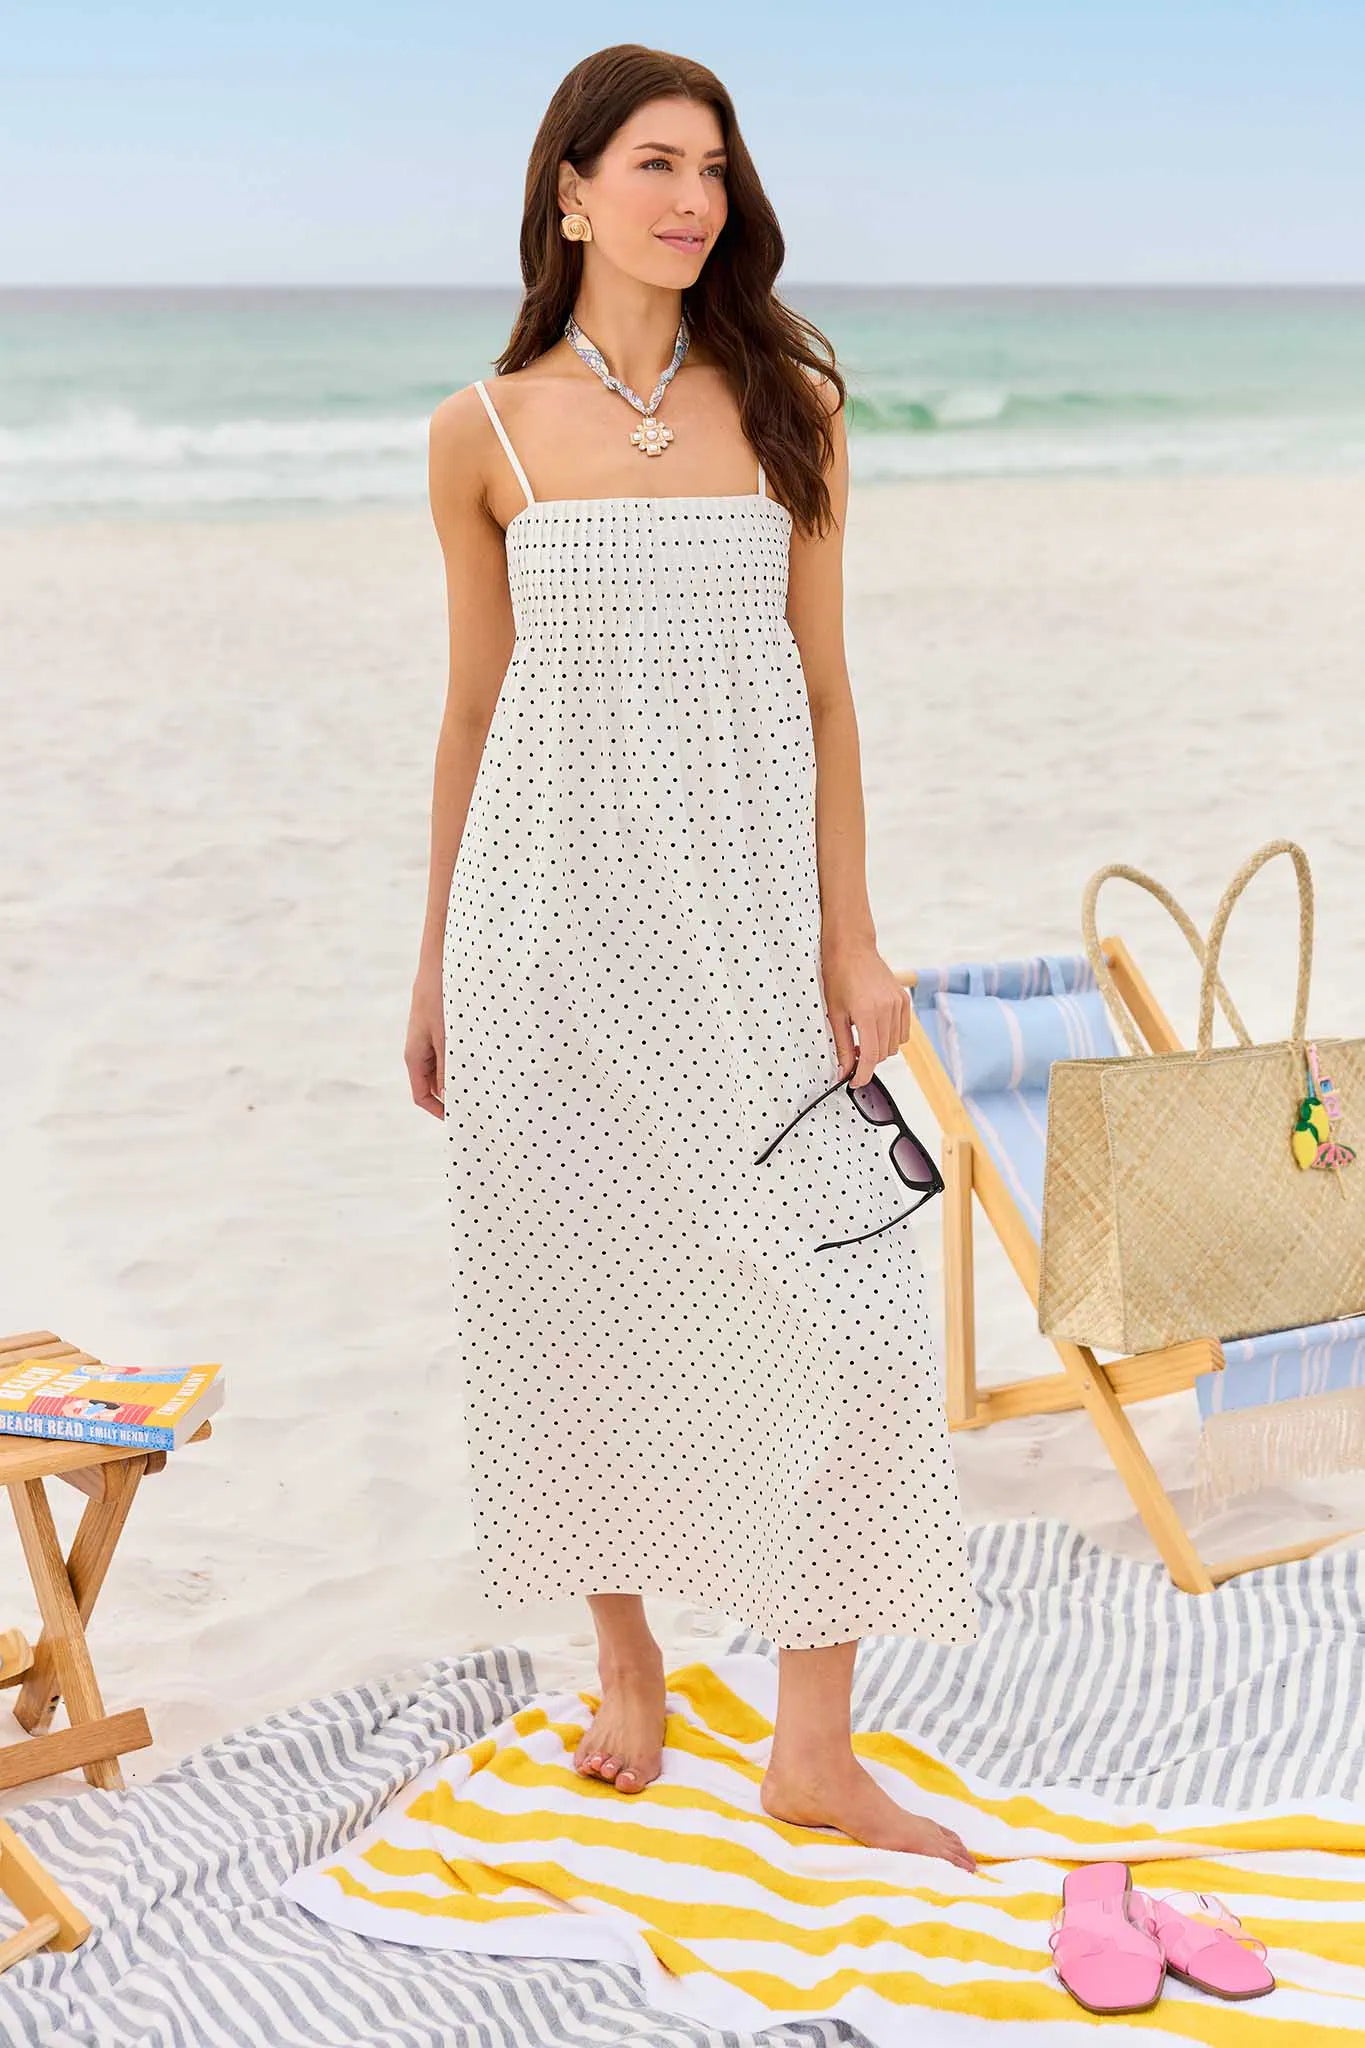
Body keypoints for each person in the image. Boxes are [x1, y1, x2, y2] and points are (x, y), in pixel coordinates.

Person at [406, 42, 980, 1871]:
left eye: (714, 169)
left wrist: (854, 941)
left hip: (742, 940)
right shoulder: (477, 435)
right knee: (575, 1300)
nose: (690, 200)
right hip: (544, 937)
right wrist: (432, 963)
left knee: (856, 1319)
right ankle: (626, 1655)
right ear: (567, 186)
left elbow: (825, 692)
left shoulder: (785, 402)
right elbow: (474, 710)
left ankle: (809, 1749)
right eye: (655, 163)